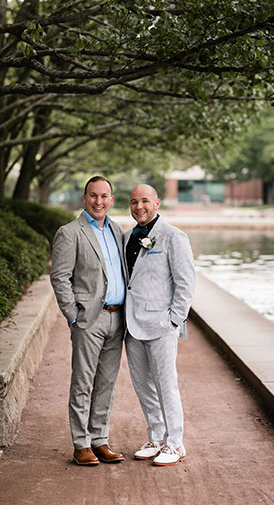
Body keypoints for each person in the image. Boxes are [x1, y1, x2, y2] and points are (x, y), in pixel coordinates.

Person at [50, 176, 126, 466]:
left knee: (106, 382)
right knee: (83, 382)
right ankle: (81, 444)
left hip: (117, 318)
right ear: (84, 199)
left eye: (104, 196)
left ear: (111, 200)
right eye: (93, 196)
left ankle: (100, 439)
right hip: (88, 320)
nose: (98, 202)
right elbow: (60, 277)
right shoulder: (70, 232)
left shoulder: (118, 230)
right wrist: (73, 316)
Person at [124, 184, 195, 466]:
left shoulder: (174, 237)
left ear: (157, 203)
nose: (139, 206)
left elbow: (186, 283)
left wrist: (174, 320)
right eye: (133, 201)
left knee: (166, 385)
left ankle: (175, 444)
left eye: (144, 201)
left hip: (161, 325)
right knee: (143, 386)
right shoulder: (128, 237)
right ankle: (156, 437)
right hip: (132, 325)